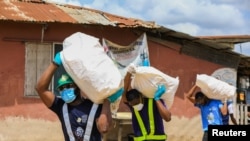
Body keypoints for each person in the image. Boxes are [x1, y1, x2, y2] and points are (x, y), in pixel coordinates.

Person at [35, 52, 112, 141]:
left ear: (78, 87)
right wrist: (55, 63)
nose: (65, 90)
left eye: (68, 86)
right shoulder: (60, 106)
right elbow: (40, 89)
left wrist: (107, 98)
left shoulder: (94, 105)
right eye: (62, 88)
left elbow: (104, 128)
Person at [123, 72, 171, 141]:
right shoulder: (132, 106)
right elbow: (124, 93)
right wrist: (129, 72)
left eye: (137, 102)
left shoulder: (154, 101)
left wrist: (157, 99)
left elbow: (168, 118)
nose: (136, 105)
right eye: (133, 104)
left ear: (141, 96)